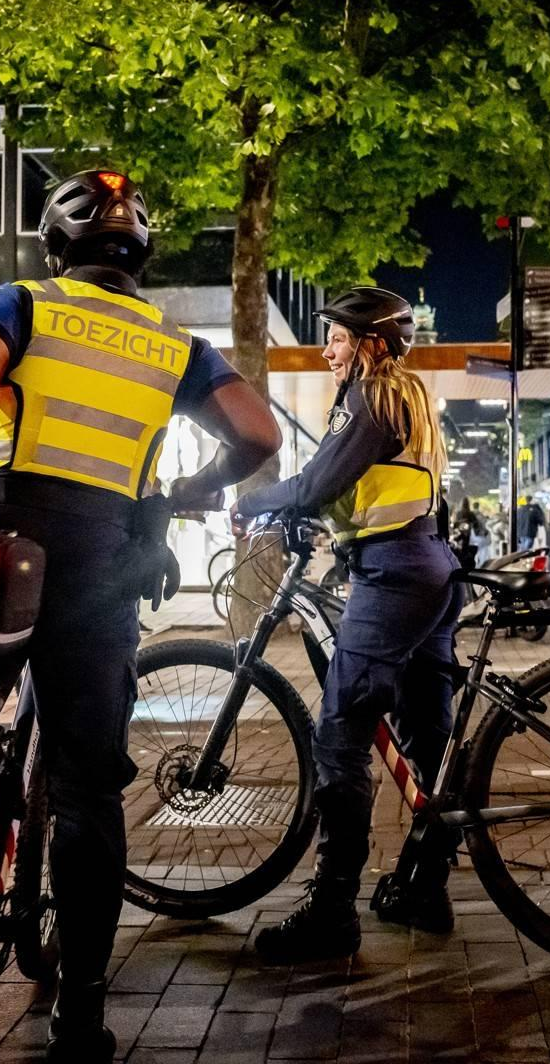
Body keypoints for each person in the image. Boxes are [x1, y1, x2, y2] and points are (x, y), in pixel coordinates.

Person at [0, 171, 280, 1061]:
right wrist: (180, 493)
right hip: (100, 553)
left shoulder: (23, 301)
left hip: (6, 531)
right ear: (140, 251)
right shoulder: (173, 344)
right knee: (88, 785)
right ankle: (81, 1013)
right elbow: (259, 436)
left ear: (58, 245)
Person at [233, 286, 464, 965]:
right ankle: (426, 885)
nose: (327, 349)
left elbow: (317, 480)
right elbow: (360, 487)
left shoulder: (369, 396)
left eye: (336, 337)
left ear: (370, 342)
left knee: (341, 737)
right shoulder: (409, 400)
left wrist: (257, 501)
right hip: (428, 568)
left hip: (394, 576)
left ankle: (333, 910)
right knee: (429, 736)